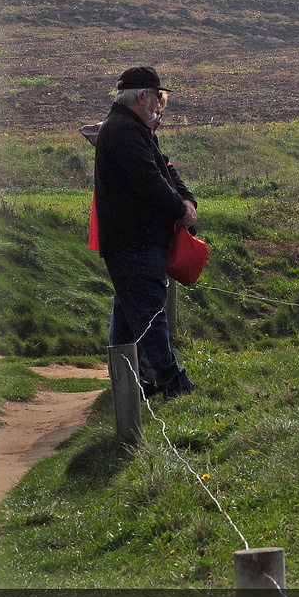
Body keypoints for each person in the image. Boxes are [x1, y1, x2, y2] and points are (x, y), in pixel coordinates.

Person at [93, 66, 196, 399]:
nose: (159, 104)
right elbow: (150, 182)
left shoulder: (130, 129)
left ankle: (132, 385)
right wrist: (182, 210)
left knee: (128, 319)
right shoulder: (124, 130)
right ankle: (173, 384)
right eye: (157, 97)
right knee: (152, 317)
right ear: (142, 96)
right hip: (135, 242)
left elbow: (164, 171)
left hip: (133, 242)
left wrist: (186, 200)